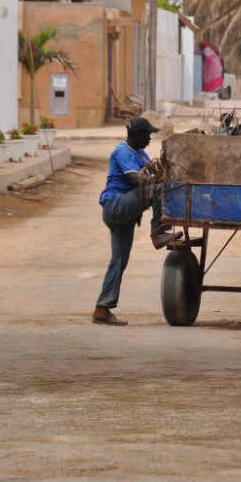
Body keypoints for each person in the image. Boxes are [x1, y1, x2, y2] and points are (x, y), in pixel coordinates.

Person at [92, 117, 180, 326]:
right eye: (147, 135)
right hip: (116, 206)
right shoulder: (122, 152)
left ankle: (102, 309)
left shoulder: (140, 154)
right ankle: (158, 232)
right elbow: (136, 179)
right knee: (158, 190)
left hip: (126, 213)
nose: (150, 139)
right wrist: (157, 180)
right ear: (137, 135)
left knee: (119, 260)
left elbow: (152, 171)